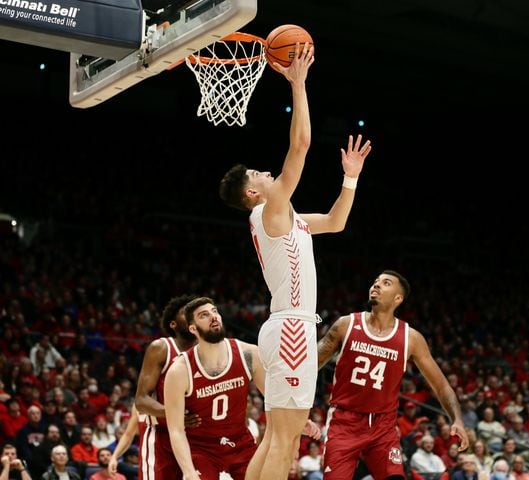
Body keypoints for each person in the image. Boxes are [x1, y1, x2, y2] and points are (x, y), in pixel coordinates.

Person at [218, 40, 372, 480]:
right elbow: (301, 144)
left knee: (275, 437)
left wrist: (350, 179)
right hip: (291, 328)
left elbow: (337, 222)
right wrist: (298, 84)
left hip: (287, 327)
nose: (267, 174)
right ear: (252, 192)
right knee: (284, 441)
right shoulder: (269, 210)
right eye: (258, 176)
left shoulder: (285, 217)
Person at [317, 270, 469, 479]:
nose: (376, 286)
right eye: (375, 282)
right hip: (344, 422)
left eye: (385, 283)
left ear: (398, 298)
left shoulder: (411, 338)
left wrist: (457, 419)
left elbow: (441, 386)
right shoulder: (345, 325)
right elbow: (310, 364)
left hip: (383, 426)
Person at [164, 296, 319, 480]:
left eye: (215, 311)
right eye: (204, 315)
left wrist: (296, 418)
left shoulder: (248, 354)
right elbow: (175, 430)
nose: (213, 317)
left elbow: (273, 398)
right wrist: (189, 472)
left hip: (240, 444)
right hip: (201, 450)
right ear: (192, 328)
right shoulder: (179, 370)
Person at [133, 295, 198, 480]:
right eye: (185, 313)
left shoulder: (206, 352)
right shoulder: (161, 348)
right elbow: (141, 400)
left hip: (197, 438)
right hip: (162, 438)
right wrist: (176, 415)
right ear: (173, 324)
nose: (191, 316)